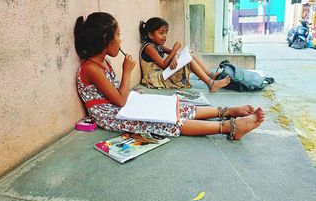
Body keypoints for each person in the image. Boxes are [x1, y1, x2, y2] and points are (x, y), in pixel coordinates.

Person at [74, 12, 264, 140]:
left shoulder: (102, 63)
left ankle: (225, 112)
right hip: (112, 115)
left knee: (172, 106)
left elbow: (116, 94)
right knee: (165, 120)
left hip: (120, 106)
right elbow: (120, 101)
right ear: (106, 40)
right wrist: (127, 71)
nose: (121, 40)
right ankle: (229, 128)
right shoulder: (91, 68)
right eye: (118, 35)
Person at [139, 17, 230, 92]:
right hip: (157, 79)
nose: (165, 36)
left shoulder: (159, 46)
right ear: (151, 35)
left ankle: (210, 75)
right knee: (188, 60)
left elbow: (175, 53)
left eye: (166, 32)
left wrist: (175, 56)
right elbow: (163, 65)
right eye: (161, 33)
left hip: (163, 74)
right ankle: (210, 84)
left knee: (188, 53)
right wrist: (175, 50)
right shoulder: (149, 47)